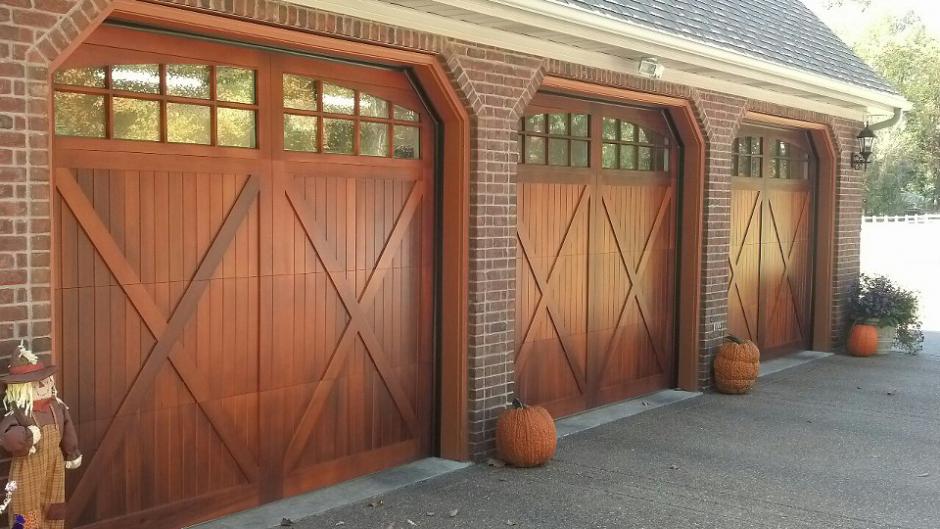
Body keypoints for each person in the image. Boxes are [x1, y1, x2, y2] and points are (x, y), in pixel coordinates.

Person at [0, 342, 81, 529]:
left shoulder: (57, 407)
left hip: (54, 465)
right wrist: (28, 435)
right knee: (26, 510)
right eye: (37, 383)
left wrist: (72, 451)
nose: (44, 385)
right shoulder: (19, 413)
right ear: (21, 388)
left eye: (45, 380)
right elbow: (6, 437)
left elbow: (67, 428)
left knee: (53, 505)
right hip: (26, 469)